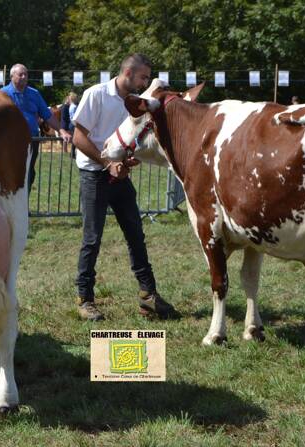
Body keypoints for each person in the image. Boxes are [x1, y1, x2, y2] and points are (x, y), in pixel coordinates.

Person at [71, 53, 179, 321]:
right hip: (94, 176)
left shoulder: (136, 103)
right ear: (128, 73)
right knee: (92, 238)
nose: (145, 83)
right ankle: (84, 299)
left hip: (120, 178)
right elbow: (78, 137)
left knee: (135, 234)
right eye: (143, 77)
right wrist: (108, 163)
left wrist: (129, 161)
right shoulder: (96, 94)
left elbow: (131, 139)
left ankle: (148, 296)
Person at [2, 63, 71, 193]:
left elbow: (47, 115)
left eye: (26, 74)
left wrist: (61, 130)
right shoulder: (2, 94)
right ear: (12, 76)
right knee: (10, 173)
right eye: (20, 74)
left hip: (31, 141)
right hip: (10, 143)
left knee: (29, 173)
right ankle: (8, 205)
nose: (24, 77)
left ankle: (24, 208)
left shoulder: (34, 94)